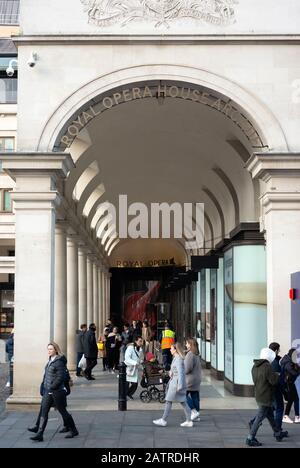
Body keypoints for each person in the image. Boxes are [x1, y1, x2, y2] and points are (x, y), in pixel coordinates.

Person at [29, 342, 78, 442]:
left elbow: (61, 377)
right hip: (48, 391)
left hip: (57, 392)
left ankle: (74, 430)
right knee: (44, 411)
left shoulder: (59, 362)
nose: (49, 351)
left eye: (51, 349)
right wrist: (43, 387)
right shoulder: (50, 361)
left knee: (63, 412)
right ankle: (40, 433)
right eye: (48, 349)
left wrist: (52, 387)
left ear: (56, 350)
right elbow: (46, 375)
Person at [246, 348, 285, 447]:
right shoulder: (267, 366)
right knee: (259, 418)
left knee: (270, 416)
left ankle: (277, 433)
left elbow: (259, 380)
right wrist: (277, 375)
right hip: (266, 396)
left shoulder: (255, 366)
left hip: (259, 394)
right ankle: (250, 438)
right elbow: (273, 381)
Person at [153, 343, 192, 427]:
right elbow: (177, 371)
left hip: (176, 384)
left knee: (169, 401)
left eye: (171, 349)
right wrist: (170, 372)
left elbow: (181, 373)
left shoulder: (178, 359)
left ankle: (163, 420)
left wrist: (180, 385)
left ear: (175, 349)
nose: (170, 350)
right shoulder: (176, 358)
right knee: (182, 402)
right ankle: (189, 420)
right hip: (175, 382)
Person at [268, 342, 288, 436]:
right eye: (278, 349)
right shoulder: (275, 363)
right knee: (279, 408)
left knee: (267, 409)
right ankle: (278, 430)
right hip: (276, 389)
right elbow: (278, 379)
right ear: (276, 350)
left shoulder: (270, 360)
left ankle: (253, 422)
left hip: (269, 389)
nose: (279, 351)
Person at [281, 348, 300, 424]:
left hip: (289, 383)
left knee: (292, 400)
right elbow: (293, 373)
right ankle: (295, 416)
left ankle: (292, 416)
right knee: (295, 399)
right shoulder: (288, 362)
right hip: (288, 384)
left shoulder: (288, 360)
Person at [185, 338, 202, 422]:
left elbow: (187, 368)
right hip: (197, 378)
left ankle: (193, 411)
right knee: (195, 396)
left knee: (182, 395)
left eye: (187, 343)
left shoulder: (190, 354)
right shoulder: (196, 354)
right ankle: (197, 416)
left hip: (190, 379)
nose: (186, 345)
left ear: (190, 345)